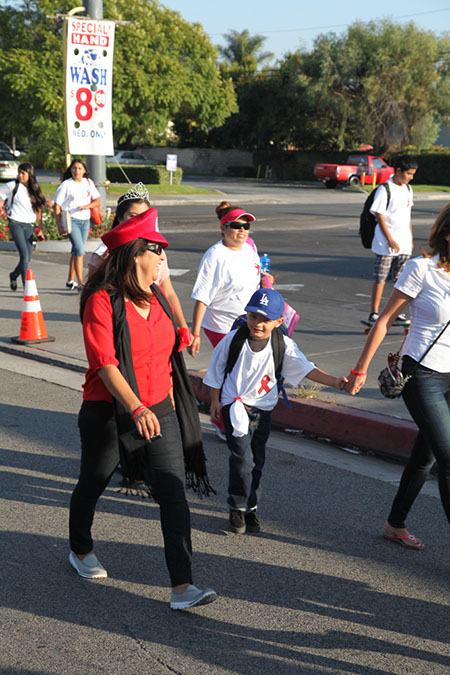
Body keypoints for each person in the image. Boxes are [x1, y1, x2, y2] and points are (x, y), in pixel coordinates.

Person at [69, 207, 217, 610]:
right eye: (157, 250)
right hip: (109, 410)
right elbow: (105, 363)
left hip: (159, 409)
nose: (162, 259)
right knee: (94, 480)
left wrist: (166, 404)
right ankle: (79, 549)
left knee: (173, 493)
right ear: (136, 253)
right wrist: (135, 407)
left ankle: (182, 587)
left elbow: (167, 359)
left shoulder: (159, 300)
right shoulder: (102, 300)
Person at [346, 203, 450, 550]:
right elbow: (385, 320)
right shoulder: (421, 269)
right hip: (422, 374)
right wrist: (360, 368)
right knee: (448, 457)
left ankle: (395, 524)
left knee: (428, 456)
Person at [203, 288, 348, 534]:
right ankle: (236, 507)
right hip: (234, 406)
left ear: (279, 321)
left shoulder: (283, 344)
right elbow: (216, 371)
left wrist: (336, 382)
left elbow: (306, 369)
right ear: (246, 315)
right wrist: (215, 401)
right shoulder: (234, 339)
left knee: (257, 461)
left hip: (263, 410)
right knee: (242, 459)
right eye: (253, 316)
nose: (257, 324)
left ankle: (251, 507)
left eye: (265, 319)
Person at [87, 182, 190, 336]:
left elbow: (168, 292)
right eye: (133, 216)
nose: (139, 222)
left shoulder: (156, 252)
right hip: (122, 328)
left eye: (144, 217)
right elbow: (92, 298)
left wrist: (183, 327)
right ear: (120, 218)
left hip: (156, 323)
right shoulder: (101, 255)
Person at [189, 201, 271, 357]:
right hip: (221, 325)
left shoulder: (249, 249)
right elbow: (202, 298)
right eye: (236, 225)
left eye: (246, 226)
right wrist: (195, 334)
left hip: (247, 321)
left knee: (245, 366)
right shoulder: (215, 256)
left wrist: (264, 279)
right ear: (223, 228)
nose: (242, 230)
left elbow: (253, 276)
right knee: (234, 366)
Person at [367, 155, 418, 325]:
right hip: (385, 244)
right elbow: (379, 216)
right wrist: (390, 239)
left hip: (404, 243)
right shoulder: (385, 189)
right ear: (398, 171)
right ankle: (374, 313)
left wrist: (409, 238)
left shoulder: (408, 190)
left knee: (400, 280)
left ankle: (395, 313)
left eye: (412, 174)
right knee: (380, 278)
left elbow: (407, 216)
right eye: (409, 174)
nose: (411, 177)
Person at [54, 158, 101, 290]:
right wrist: (59, 226)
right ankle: (80, 282)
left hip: (85, 221)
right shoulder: (66, 185)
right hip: (71, 220)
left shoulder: (88, 182)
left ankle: (70, 281)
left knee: (76, 250)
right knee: (80, 251)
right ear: (71, 170)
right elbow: (57, 206)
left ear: (84, 170)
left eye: (80, 168)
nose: (77, 171)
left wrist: (87, 206)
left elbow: (97, 202)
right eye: (74, 168)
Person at [0, 162, 46, 290]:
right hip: (15, 223)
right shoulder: (13, 186)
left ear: (30, 174)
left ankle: (13, 275)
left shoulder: (35, 190)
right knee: (24, 256)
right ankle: (27, 288)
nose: (20, 175)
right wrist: (2, 211)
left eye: (23, 173)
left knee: (28, 257)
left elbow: (38, 211)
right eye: (19, 172)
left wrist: (40, 229)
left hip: (29, 225)